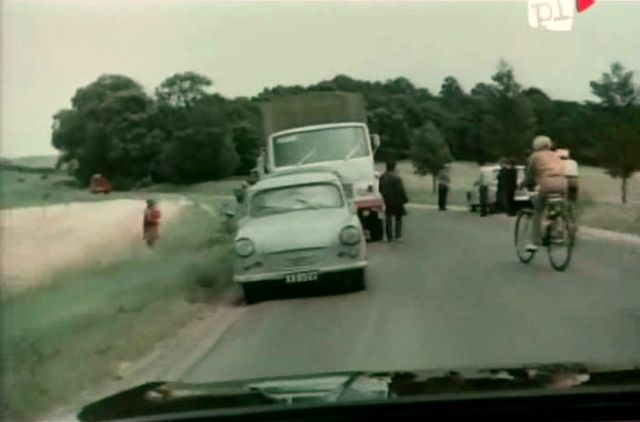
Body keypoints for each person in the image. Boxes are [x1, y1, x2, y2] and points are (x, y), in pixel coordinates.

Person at [522, 136, 568, 252]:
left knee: (538, 211)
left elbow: (529, 175)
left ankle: (534, 242)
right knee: (555, 208)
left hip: (547, 183)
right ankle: (557, 234)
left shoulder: (534, 156)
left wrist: (524, 185)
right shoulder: (555, 155)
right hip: (562, 182)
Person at [379, 160, 408, 242]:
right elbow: (400, 190)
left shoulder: (382, 177)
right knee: (398, 218)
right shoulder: (396, 177)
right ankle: (398, 235)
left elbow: (380, 188)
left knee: (388, 217)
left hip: (387, 199)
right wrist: (404, 199)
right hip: (397, 200)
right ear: (394, 167)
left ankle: (389, 236)